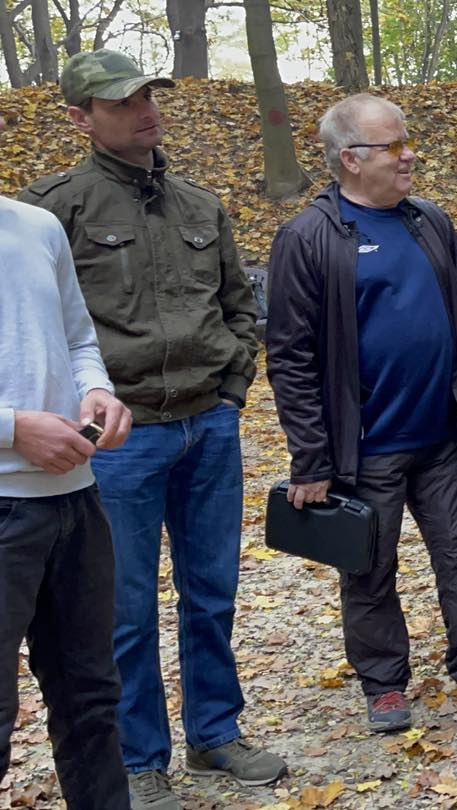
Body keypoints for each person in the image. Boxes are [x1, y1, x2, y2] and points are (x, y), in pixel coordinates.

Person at [18, 49, 282, 809]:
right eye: (123, 102)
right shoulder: (51, 212)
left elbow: (239, 306)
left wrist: (231, 391)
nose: (145, 111)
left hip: (208, 427)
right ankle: (138, 760)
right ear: (81, 118)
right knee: (123, 609)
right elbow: (44, 330)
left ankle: (215, 733)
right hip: (120, 441)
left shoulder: (199, 203)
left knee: (212, 593)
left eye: (149, 96)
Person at [266, 93, 457, 736]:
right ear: (350, 158)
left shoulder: (429, 221)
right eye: (394, 146)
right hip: (366, 446)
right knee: (369, 566)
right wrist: (311, 457)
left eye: (407, 141)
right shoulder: (308, 237)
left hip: (440, 435)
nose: (409, 155)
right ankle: (384, 683)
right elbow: (289, 357)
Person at [1, 111, 133, 810]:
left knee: (90, 699)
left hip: (74, 500)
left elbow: (79, 339)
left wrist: (97, 392)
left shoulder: (36, 226)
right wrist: (10, 429)